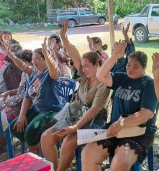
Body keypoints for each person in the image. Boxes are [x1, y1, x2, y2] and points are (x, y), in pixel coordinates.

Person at [41, 23, 112, 171]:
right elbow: (75, 56)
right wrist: (64, 38)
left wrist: (75, 127)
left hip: (95, 121)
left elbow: (94, 110)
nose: (83, 69)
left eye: (87, 66)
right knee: (46, 137)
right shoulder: (86, 76)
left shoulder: (104, 83)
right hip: (75, 115)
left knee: (67, 142)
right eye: (83, 66)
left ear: (98, 65)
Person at [81, 41, 158, 171]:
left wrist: (121, 124)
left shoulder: (149, 84)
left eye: (135, 66)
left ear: (144, 68)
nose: (130, 69)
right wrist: (114, 57)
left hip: (138, 132)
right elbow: (100, 76)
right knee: (87, 154)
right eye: (128, 64)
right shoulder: (123, 77)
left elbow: (146, 115)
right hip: (114, 128)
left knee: (118, 164)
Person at [9, 38, 66, 154]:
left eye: (38, 59)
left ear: (46, 60)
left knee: (31, 131)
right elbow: (27, 97)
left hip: (53, 111)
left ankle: (36, 154)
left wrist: (46, 53)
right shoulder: (33, 74)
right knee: (15, 126)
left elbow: (54, 71)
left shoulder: (50, 74)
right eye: (33, 59)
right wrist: (22, 116)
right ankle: (38, 146)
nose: (35, 62)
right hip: (37, 109)